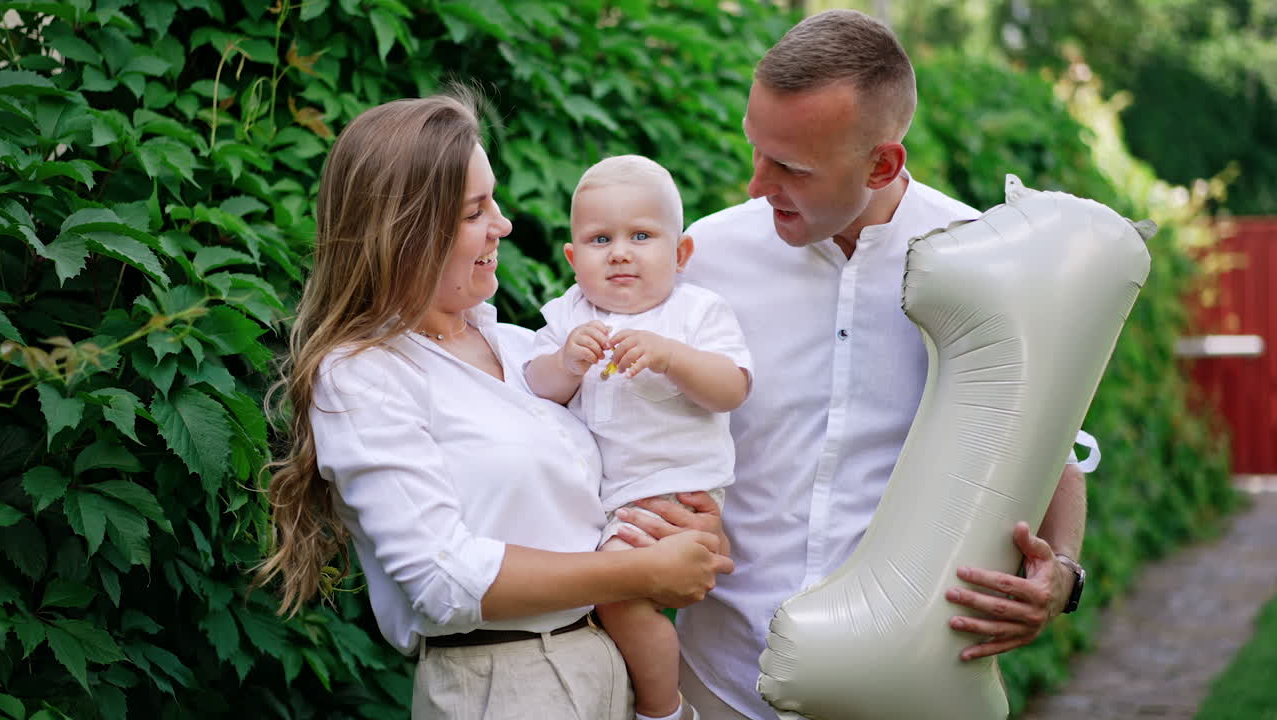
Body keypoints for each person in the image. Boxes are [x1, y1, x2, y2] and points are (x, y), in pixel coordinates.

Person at [612, 11, 1099, 720]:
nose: (755, 185)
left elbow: (1054, 442)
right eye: (757, 151)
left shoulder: (985, 262)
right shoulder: (696, 259)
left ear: (882, 164)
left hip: (906, 692)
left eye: (791, 168)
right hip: (719, 685)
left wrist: (1063, 576)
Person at [254, 93, 733, 720]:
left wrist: (684, 527)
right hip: (505, 685)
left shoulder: (523, 348)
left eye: (494, 201)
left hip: (607, 658)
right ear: (408, 231)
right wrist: (640, 574)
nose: (503, 225)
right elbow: (442, 578)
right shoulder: (363, 375)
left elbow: (613, 482)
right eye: (476, 211)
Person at [525, 155, 752, 720]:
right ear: (574, 258)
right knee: (605, 605)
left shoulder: (697, 312)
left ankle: (663, 710)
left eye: (642, 236)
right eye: (600, 238)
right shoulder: (569, 316)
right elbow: (534, 388)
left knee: (618, 600)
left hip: (673, 491)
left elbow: (733, 388)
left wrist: (673, 358)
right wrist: (565, 363)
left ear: (680, 255)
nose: (620, 251)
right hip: (605, 503)